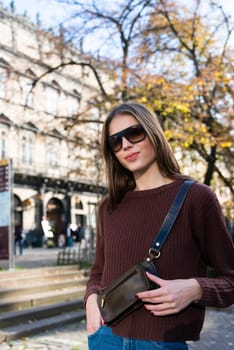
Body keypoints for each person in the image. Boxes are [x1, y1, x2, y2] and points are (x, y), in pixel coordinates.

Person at [84, 102, 234, 350]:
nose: (126, 145)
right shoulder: (108, 207)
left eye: (134, 133)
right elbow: (98, 272)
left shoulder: (197, 198)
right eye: (115, 142)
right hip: (104, 338)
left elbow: (230, 278)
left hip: (162, 343)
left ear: (153, 133)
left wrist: (195, 289)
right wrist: (90, 297)